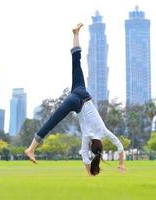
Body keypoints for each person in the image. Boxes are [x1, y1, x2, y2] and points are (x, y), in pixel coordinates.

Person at [25, 23, 126, 176]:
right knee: (52, 122)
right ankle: (31, 149)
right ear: (92, 145)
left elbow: (120, 147)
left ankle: (75, 34)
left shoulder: (104, 131)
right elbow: (85, 157)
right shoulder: (87, 136)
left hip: (81, 92)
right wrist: (90, 173)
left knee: (76, 61)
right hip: (75, 101)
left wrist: (121, 163)